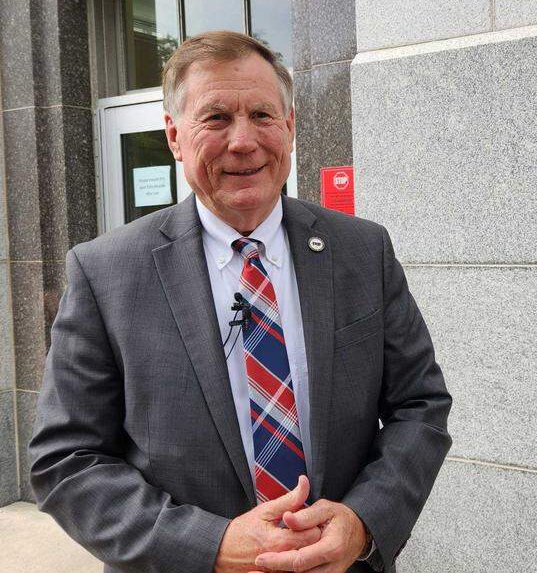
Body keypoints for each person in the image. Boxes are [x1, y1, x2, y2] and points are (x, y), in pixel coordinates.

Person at [28, 30, 452, 573]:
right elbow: (66, 460)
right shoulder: (106, 271)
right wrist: (208, 545)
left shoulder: (362, 251)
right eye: (216, 118)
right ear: (174, 135)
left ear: (291, 128)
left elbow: (420, 405)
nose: (243, 140)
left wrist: (364, 521)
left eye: (262, 115)